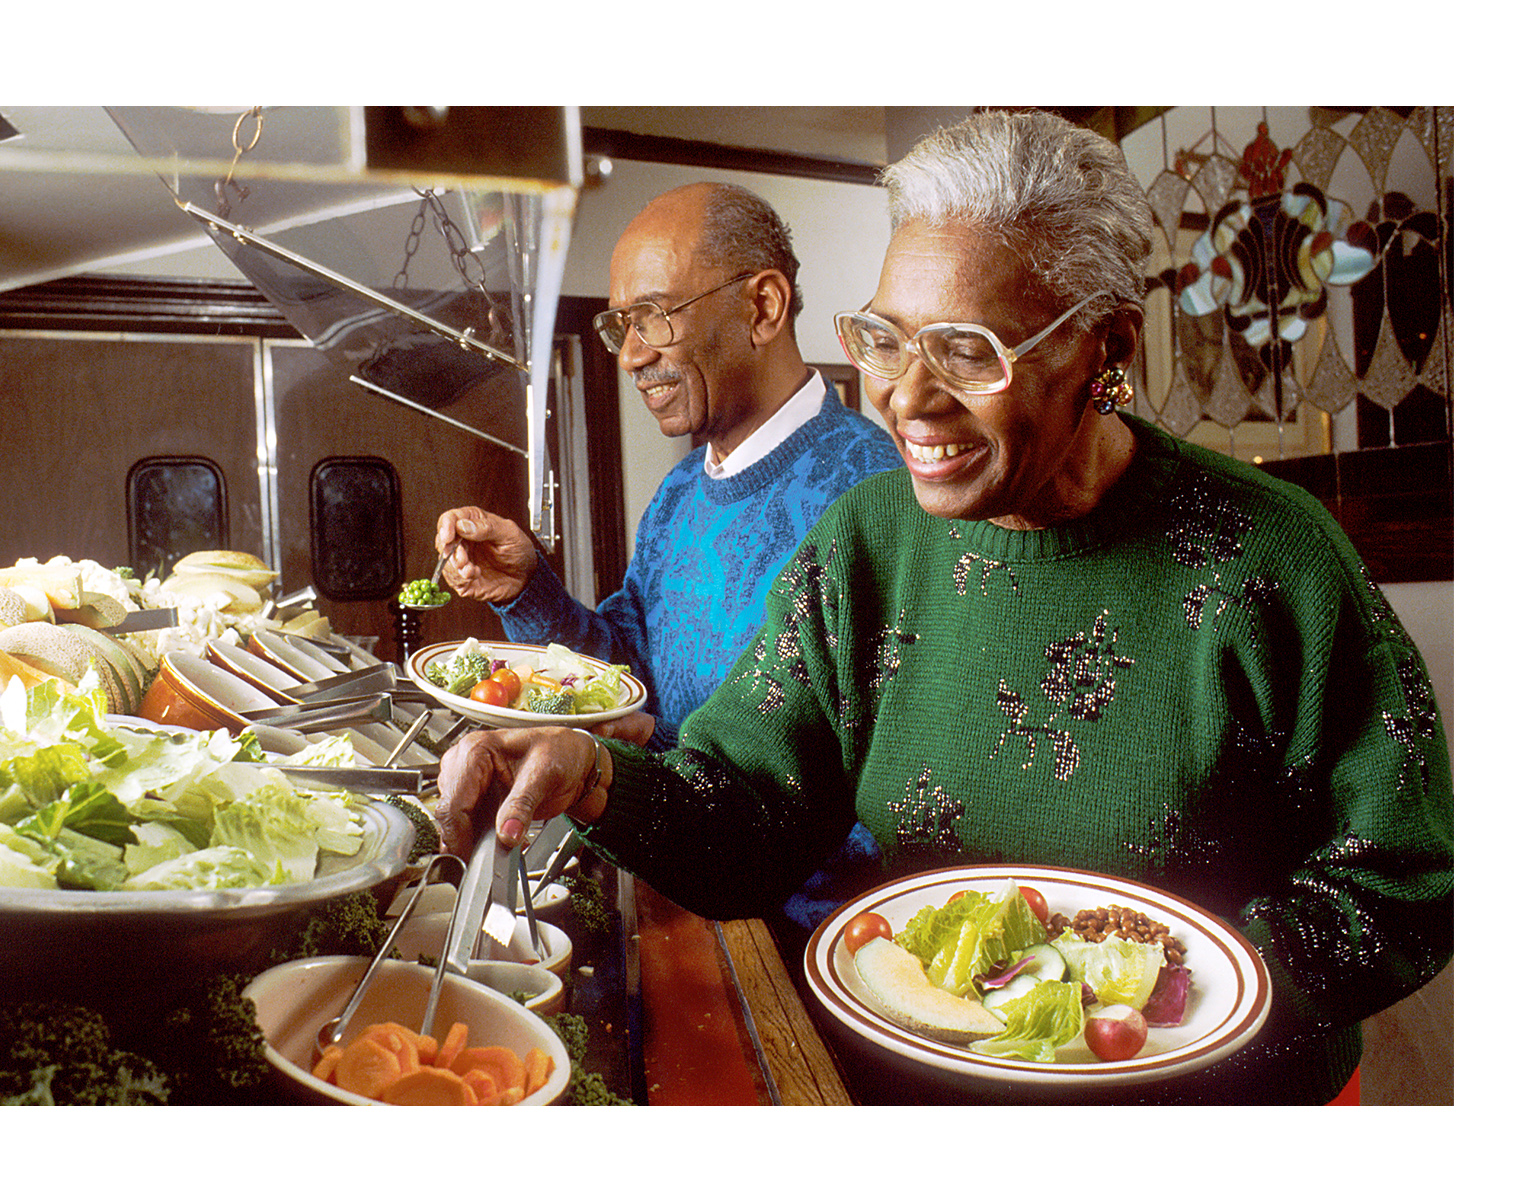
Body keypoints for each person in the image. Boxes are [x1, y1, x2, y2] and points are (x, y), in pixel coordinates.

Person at [434, 110, 1453, 1105]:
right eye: (884, 339)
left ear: (1104, 353)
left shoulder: (1271, 553)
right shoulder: (868, 541)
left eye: (967, 352)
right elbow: (747, 815)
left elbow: (1407, 877)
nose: (903, 399)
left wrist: (1172, 996)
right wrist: (594, 773)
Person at [433, 181, 901, 751]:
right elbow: (625, 677)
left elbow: (882, 786)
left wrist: (659, 757)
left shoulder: (879, 498)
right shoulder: (679, 492)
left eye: (653, 315)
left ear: (763, 308)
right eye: (621, 326)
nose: (631, 356)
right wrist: (525, 591)